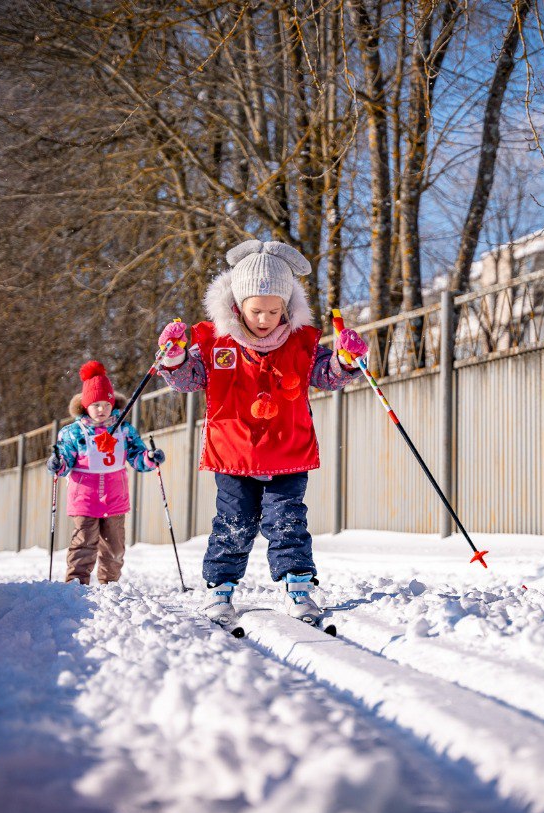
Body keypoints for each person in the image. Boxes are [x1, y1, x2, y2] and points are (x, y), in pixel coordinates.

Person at [155, 239, 367, 626]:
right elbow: (188, 380)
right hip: (234, 451)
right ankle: (220, 590)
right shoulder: (216, 342)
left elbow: (326, 377)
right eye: (257, 310)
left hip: (287, 449)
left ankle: (297, 588)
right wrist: (176, 357)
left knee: (286, 520)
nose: (266, 319)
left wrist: (344, 359)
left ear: (287, 306)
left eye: (275, 310)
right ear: (238, 305)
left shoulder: (302, 342)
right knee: (234, 522)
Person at [47, 361, 163, 585]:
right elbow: (65, 461)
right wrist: (57, 463)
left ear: (113, 404)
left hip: (114, 498)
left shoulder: (124, 430)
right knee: (84, 543)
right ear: (85, 406)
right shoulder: (73, 433)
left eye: (105, 404)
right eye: (95, 405)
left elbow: (137, 457)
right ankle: (75, 585)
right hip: (85, 498)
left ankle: (109, 586)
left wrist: (150, 458)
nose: (101, 410)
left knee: (114, 547)